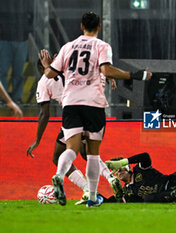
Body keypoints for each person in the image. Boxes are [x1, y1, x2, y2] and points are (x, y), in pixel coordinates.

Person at [39, 12, 151, 207]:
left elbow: (49, 74)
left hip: (71, 103)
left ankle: (59, 175)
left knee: (71, 149)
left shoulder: (67, 47)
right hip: (93, 104)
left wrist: (46, 64)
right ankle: (92, 197)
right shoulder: (101, 46)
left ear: (82, 26)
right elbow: (106, 70)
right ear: (99, 27)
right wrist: (135, 75)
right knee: (92, 153)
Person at [27, 57, 120, 205]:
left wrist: (37, 140)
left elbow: (44, 113)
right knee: (88, 153)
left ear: (40, 69)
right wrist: (107, 76)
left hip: (73, 115)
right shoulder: (71, 70)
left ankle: (86, 189)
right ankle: (110, 178)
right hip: (93, 111)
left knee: (58, 156)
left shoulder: (44, 81)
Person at [0, 1, 32, 103]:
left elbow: (32, 14)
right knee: (3, 71)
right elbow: (32, 15)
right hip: (8, 39)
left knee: (17, 72)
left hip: (16, 38)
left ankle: (15, 98)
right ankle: (7, 98)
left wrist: (27, 29)